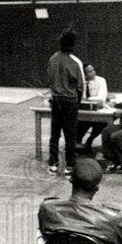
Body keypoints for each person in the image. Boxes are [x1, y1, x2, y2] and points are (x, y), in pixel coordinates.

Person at [45, 29, 85, 176]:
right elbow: (81, 86)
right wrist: (76, 102)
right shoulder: (76, 62)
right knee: (71, 135)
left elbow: (49, 79)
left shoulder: (52, 59)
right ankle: (70, 166)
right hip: (70, 102)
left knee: (54, 134)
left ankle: (53, 165)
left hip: (56, 101)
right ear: (73, 45)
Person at [76, 64, 109, 152]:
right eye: (90, 71)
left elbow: (102, 97)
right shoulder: (79, 82)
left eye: (93, 70)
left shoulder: (101, 80)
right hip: (83, 111)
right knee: (79, 122)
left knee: (102, 124)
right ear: (84, 74)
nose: (93, 72)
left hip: (98, 110)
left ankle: (90, 140)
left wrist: (87, 100)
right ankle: (77, 143)